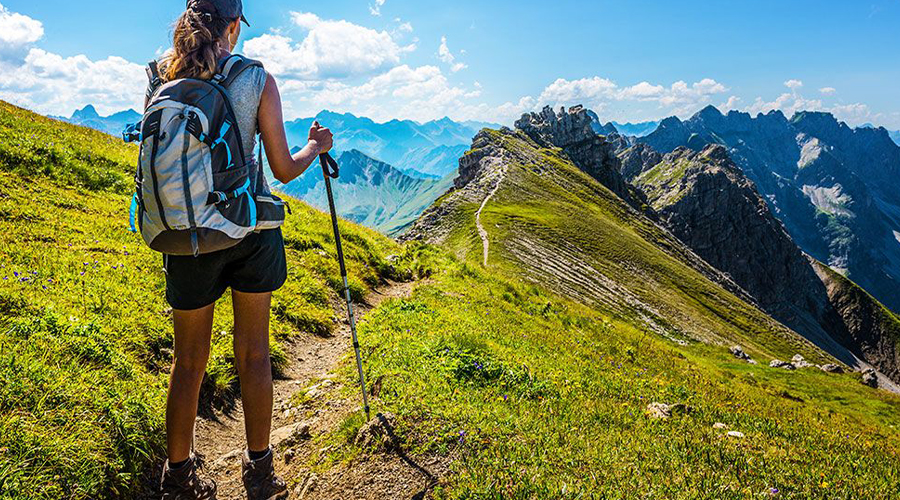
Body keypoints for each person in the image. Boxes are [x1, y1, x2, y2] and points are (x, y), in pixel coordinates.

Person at [153, 1, 333, 498]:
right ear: (235, 25)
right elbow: (281, 168)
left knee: (187, 361)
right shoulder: (258, 79)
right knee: (253, 353)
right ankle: (258, 470)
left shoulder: (161, 78)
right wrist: (316, 146)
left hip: (186, 236)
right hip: (249, 231)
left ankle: (178, 476)